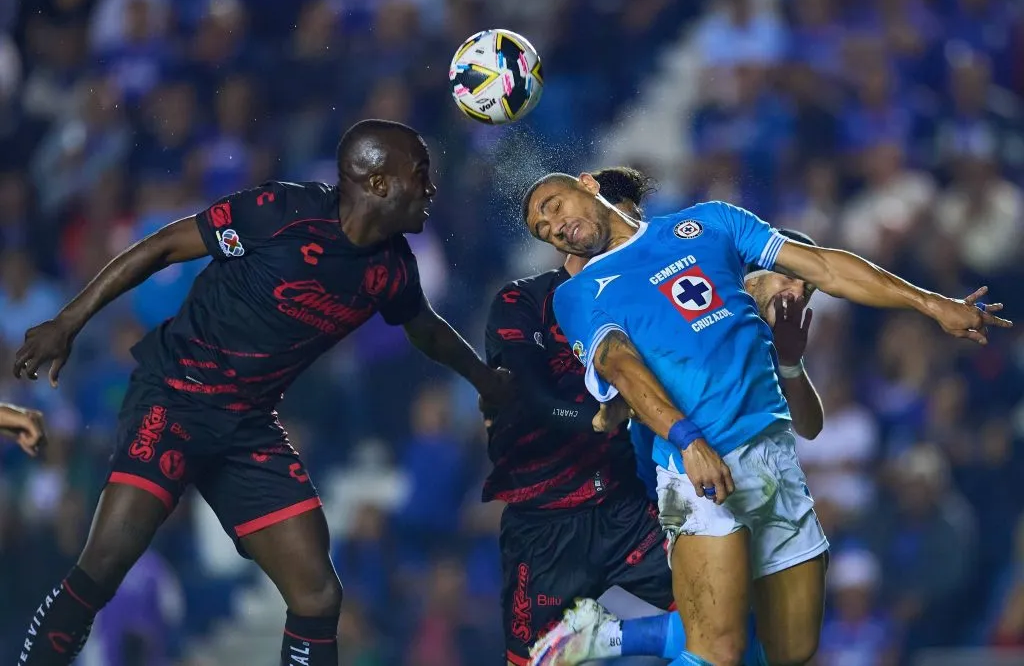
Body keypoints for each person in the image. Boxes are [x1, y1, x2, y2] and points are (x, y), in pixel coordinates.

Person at [10, 119, 510, 666]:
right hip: (174, 396)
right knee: (103, 564)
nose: (431, 190)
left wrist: (485, 380)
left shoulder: (392, 270)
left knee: (318, 594)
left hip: (246, 427)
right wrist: (68, 320)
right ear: (379, 183)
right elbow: (162, 247)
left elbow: (426, 329)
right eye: (421, 176)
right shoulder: (282, 213)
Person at [520, 171, 1011, 666]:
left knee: (788, 651)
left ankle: (611, 636)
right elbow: (617, 364)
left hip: (774, 461)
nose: (555, 227)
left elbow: (825, 268)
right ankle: (614, 638)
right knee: (719, 651)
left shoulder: (711, 224)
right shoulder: (577, 294)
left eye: (555, 207)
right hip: (694, 468)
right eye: (543, 229)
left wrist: (932, 303)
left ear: (587, 184)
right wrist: (686, 439)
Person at [489, 167, 825, 666]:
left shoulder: (733, 319)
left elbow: (808, 425)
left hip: (638, 500)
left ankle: (609, 638)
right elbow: (530, 396)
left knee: (739, 638)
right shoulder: (537, 300)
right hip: (551, 512)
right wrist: (601, 416)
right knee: (719, 641)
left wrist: (791, 360)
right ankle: (603, 639)